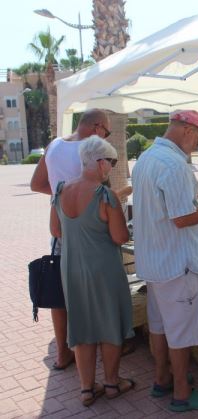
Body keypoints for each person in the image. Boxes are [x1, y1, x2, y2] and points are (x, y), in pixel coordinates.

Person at [132, 110, 198, 412]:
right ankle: (181, 394)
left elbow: (170, 209)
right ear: (189, 131)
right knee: (179, 332)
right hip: (176, 263)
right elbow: (182, 219)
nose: (197, 146)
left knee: (159, 326)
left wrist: (197, 202)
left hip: (155, 261)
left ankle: (162, 378)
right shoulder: (174, 165)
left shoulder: (147, 159)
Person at [50, 136, 135, 407]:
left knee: (81, 325)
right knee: (110, 323)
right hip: (104, 268)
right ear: (99, 162)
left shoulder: (61, 190)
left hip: (72, 267)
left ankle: (87, 389)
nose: (111, 167)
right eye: (110, 162)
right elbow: (120, 236)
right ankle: (111, 382)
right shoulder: (104, 194)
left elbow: (56, 230)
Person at [30, 108, 114, 371]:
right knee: (93, 293)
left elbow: (36, 184)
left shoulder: (53, 145)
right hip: (88, 233)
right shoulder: (92, 151)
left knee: (60, 292)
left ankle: (63, 354)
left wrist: (60, 198)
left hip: (59, 229)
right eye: (107, 132)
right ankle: (97, 350)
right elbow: (99, 189)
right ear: (97, 127)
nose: (106, 137)